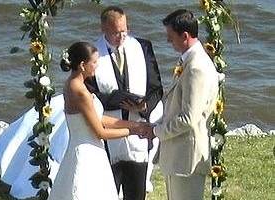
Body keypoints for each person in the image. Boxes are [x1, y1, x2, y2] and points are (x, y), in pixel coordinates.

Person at [48, 42, 150, 199]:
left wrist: (134, 124)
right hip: (88, 153)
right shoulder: (80, 91)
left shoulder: (71, 83)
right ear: (83, 65)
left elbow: (97, 118)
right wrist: (133, 131)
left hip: (80, 148)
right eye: (94, 62)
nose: (97, 66)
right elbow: (100, 132)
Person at [84, 6, 163, 200]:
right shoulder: (92, 55)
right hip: (109, 134)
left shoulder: (142, 47)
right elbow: (90, 96)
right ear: (104, 29)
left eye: (124, 31)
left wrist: (143, 106)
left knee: (136, 193)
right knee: (106, 192)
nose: (121, 36)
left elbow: (156, 88)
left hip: (139, 131)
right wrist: (119, 99)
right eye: (115, 32)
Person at [147, 9, 221, 200]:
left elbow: (188, 118)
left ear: (185, 36)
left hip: (187, 156)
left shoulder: (196, 68)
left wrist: (157, 131)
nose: (168, 41)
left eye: (170, 37)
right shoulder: (189, 61)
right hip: (178, 155)